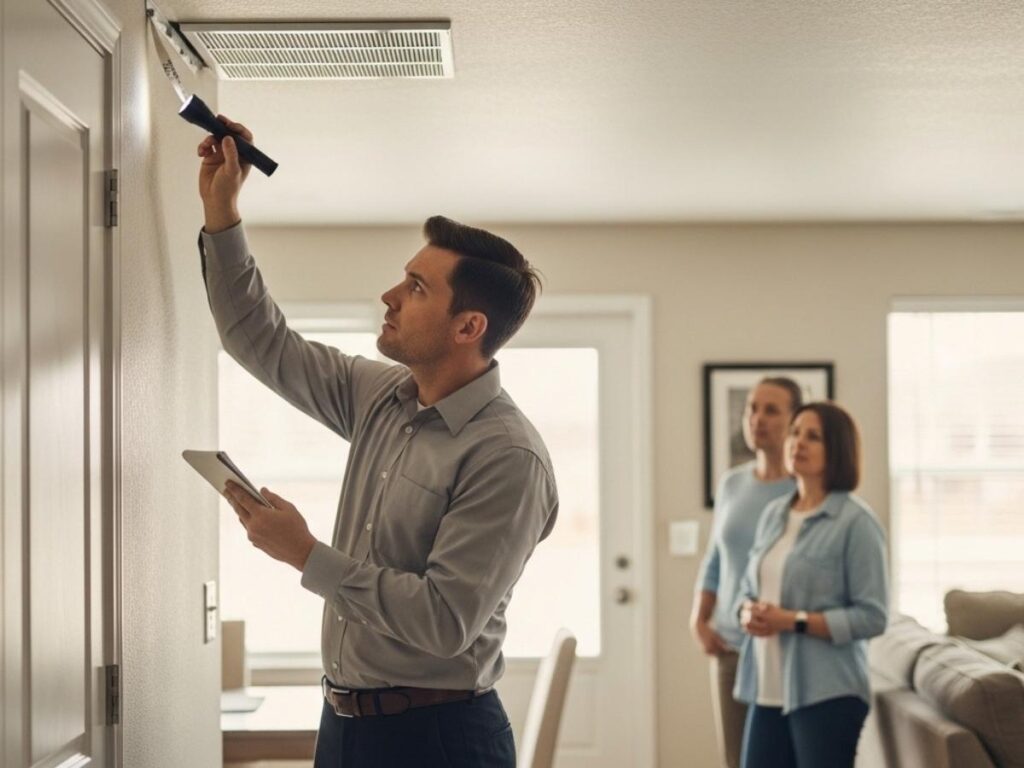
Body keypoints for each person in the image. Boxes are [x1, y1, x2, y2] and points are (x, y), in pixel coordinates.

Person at [196, 121, 558, 768]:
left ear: (467, 326)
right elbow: (260, 340)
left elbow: (445, 621)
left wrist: (305, 554)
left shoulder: (508, 457)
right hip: (343, 728)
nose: (389, 297)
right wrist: (222, 212)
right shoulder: (380, 397)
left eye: (417, 288)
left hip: (439, 741)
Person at [735, 402, 888, 768]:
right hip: (766, 688)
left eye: (813, 437)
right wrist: (745, 612)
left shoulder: (856, 523)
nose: (798, 442)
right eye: (795, 432)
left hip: (827, 694)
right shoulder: (775, 513)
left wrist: (793, 620)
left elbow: (872, 616)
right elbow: (747, 588)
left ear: (837, 450)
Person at [692, 378, 802, 768]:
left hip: (786, 648)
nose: (757, 419)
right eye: (752, 409)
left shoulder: (804, 490)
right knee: (736, 759)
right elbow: (716, 558)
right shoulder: (732, 483)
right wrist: (699, 618)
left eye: (771, 410)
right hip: (730, 647)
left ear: (794, 421)